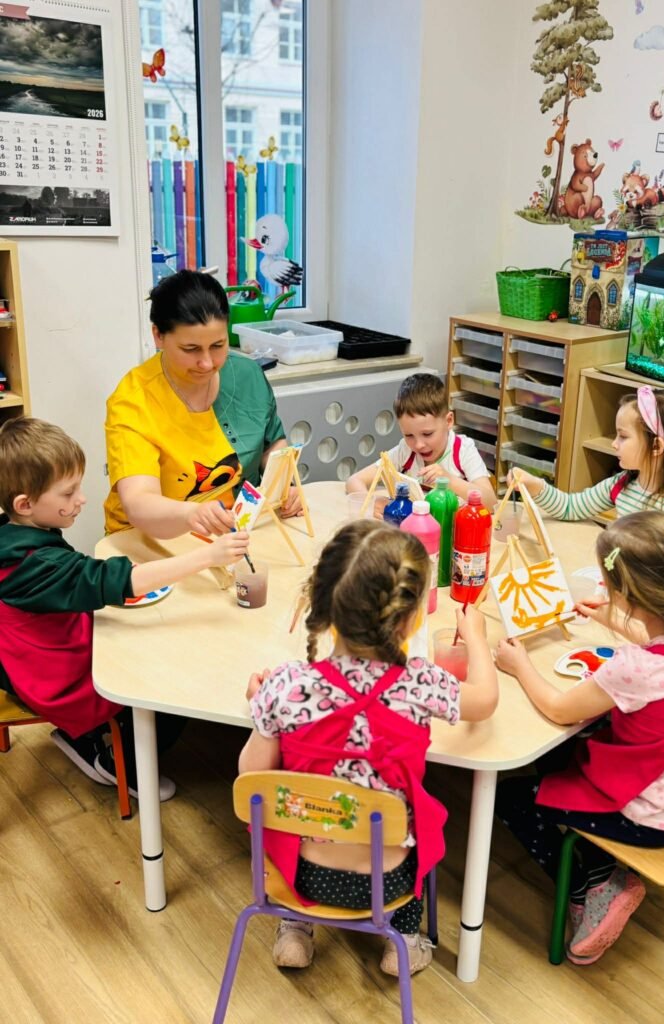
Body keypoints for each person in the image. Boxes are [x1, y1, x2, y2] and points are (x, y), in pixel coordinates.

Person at [238, 518, 498, 975]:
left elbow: (251, 780)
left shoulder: (286, 685)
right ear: (411, 617)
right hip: (388, 879)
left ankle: (295, 927)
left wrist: (265, 711)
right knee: (413, 824)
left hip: (303, 875)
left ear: (321, 602)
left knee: (296, 814)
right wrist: (475, 636)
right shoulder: (421, 682)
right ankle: (404, 941)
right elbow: (485, 700)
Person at [493, 510, 664, 965]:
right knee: (566, 752)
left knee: (510, 796)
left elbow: (558, 708)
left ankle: (591, 889)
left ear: (628, 594)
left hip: (649, 817)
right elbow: (662, 640)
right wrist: (613, 620)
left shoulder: (637, 667)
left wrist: (519, 664)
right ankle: (601, 870)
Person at [0, 418, 251, 798]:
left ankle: (91, 738)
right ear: (25, 504)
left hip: (37, 653)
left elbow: (85, 579)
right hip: (56, 680)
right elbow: (112, 580)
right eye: (68, 493)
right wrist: (207, 556)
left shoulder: (13, 535)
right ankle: (121, 765)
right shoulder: (34, 563)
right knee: (169, 678)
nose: (82, 499)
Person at [104, 269, 302, 538]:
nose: (207, 363)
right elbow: (139, 502)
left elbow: (272, 444)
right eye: (191, 349)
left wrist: (286, 485)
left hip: (234, 529)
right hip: (154, 537)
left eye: (218, 345)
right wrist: (193, 515)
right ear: (158, 336)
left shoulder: (246, 375)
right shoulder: (133, 401)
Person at [509, 386, 664, 557]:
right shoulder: (622, 484)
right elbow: (570, 508)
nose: (614, 444)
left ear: (656, 446)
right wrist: (533, 483)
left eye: (623, 437)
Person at [346, 373, 496, 510]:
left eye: (427, 434)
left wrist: (449, 480)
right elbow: (354, 480)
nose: (418, 445)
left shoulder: (463, 450)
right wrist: (371, 503)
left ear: (449, 421)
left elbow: (491, 503)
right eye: (409, 435)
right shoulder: (405, 450)